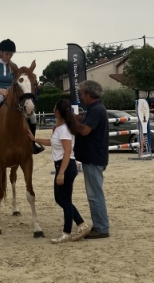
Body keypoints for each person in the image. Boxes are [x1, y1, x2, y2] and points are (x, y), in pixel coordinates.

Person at [29, 99, 91, 244]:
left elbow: (67, 151)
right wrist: (35, 139)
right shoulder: (61, 128)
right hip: (63, 165)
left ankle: (67, 232)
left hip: (65, 165)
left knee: (65, 200)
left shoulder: (64, 130)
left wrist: (61, 172)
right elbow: (52, 142)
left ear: (58, 111)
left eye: (55, 107)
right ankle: (81, 224)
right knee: (60, 199)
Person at [0, 38, 43, 159]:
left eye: (11, 54)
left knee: (33, 116)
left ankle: (33, 144)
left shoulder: (14, 66)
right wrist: (0, 91)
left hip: (12, 98)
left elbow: (19, 83)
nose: (9, 56)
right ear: (0, 53)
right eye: (6, 54)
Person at [75, 80, 110, 239]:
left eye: (82, 93)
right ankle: (100, 225)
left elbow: (84, 131)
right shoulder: (95, 108)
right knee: (95, 193)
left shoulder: (96, 110)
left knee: (95, 194)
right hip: (94, 156)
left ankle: (101, 228)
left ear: (89, 94)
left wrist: (72, 122)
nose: (81, 96)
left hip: (93, 157)